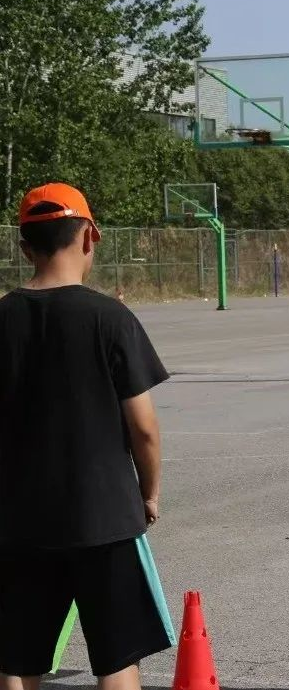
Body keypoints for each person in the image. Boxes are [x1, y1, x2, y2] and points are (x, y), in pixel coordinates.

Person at [0, 184, 174, 689]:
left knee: (17, 659)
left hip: (19, 520)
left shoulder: (3, 318)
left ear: (25, 247)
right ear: (88, 237)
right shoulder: (109, 318)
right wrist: (148, 493)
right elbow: (143, 428)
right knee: (117, 659)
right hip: (105, 518)